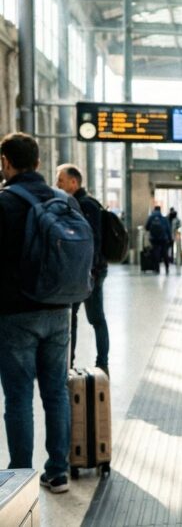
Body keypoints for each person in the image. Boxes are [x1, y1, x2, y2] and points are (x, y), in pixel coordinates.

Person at [0, 133, 75, 493]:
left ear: (5, 162)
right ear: (40, 163)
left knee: (18, 397)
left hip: (16, 314)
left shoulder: (5, 203)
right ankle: (58, 472)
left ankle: (19, 479)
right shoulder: (63, 200)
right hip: (61, 311)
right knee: (56, 393)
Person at [56, 164, 111, 374]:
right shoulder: (76, 203)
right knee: (75, 317)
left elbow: (93, 240)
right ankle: (70, 362)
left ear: (73, 182)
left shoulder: (85, 205)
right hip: (81, 270)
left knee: (95, 317)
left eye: (60, 180)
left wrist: (91, 271)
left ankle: (102, 361)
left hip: (89, 271)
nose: (57, 184)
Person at [145, 205, 171, 274]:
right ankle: (167, 268)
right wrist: (170, 238)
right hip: (163, 238)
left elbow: (146, 227)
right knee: (165, 253)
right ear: (160, 210)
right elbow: (168, 229)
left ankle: (157, 269)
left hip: (154, 238)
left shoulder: (151, 218)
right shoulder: (164, 218)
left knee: (156, 253)